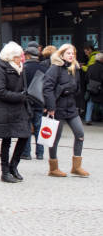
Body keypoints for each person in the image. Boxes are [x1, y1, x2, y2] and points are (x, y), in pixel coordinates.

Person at [43, 44, 89, 177]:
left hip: (71, 107)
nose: (71, 55)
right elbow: (47, 88)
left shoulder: (75, 68)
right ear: (61, 54)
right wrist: (50, 107)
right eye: (68, 53)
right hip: (57, 107)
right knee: (55, 138)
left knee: (80, 134)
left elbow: (79, 88)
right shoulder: (55, 68)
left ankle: (76, 167)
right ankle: (53, 167)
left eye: (73, 53)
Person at [0, 41, 30, 183]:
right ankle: (5, 172)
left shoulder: (21, 68)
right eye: (18, 56)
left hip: (19, 109)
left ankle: (14, 166)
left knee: (25, 136)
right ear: (11, 57)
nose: (21, 58)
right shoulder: (0, 70)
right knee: (6, 140)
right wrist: (20, 96)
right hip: (4, 109)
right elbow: (0, 92)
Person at [21, 44, 43, 161]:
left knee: (27, 127)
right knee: (39, 127)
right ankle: (40, 153)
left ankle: (26, 153)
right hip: (39, 101)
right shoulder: (43, 68)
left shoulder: (23, 68)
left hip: (26, 101)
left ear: (28, 55)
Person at [83, 43, 100, 124]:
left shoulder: (93, 57)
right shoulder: (94, 57)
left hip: (93, 84)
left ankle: (88, 119)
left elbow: (89, 70)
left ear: (90, 50)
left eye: (86, 52)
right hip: (97, 84)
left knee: (90, 101)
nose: (85, 54)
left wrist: (81, 67)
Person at [85, 53, 103, 125]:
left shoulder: (90, 67)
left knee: (90, 103)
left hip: (91, 88)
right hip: (101, 88)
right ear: (101, 59)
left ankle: (88, 119)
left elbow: (86, 78)